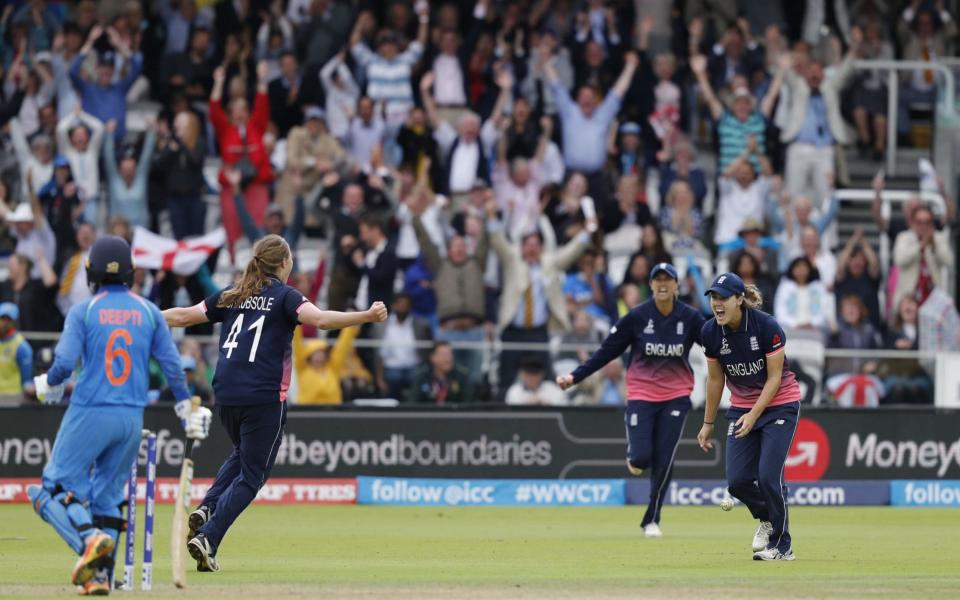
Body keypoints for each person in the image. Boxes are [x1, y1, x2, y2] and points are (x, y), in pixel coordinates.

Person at [161, 234, 388, 572]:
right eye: (291, 259)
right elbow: (322, 320)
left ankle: (207, 507)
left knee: (242, 454)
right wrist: (366, 316)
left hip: (224, 394)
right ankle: (209, 537)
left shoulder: (233, 294)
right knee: (253, 476)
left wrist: (141, 316)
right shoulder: (285, 296)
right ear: (283, 263)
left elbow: (180, 317)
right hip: (263, 397)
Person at [27, 236, 211, 594]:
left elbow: (63, 363)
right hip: (131, 419)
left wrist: (46, 384)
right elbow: (173, 367)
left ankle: (88, 541)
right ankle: (100, 578)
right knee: (107, 499)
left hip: (91, 410)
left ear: (90, 272)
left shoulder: (84, 311)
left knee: (49, 490)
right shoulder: (147, 312)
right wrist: (185, 408)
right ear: (131, 272)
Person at [557, 263, 706, 537]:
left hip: (676, 396)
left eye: (668, 280)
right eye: (657, 279)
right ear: (650, 285)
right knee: (640, 459)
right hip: (641, 394)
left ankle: (652, 518)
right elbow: (606, 352)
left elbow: (715, 346)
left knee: (665, 458)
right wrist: (574, 377)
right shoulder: (637, 317)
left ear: (676, 285)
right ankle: (635, 456)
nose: (662, 284)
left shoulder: (690, 317)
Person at [697, 272, 803, 561]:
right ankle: (768, 519)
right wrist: (708, 424)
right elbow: (715, 380)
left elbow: (775, 378)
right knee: (738, 481)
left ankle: (783, 547)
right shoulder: (709, 332)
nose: (717, 304)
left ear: (739, 300)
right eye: (713, 298)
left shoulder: (766, 326)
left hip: (780, 405)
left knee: (769, 478)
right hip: (743, 409)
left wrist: (755, 415)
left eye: (723, 298)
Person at [0, 301, 34, 404]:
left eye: (8, 320)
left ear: (14, 322)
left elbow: (26, 378)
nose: (3, 323)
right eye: (2, 318)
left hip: (13, 396)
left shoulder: (22, 347)